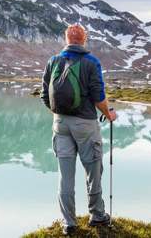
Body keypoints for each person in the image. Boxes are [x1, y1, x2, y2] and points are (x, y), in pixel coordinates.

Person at [41, 24, 117, 236]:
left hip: (60, 124)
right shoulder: (91, 62)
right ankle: (97, 215)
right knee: (93, 169)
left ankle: (69, 223)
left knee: (65, 176)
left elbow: (44, 96)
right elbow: (98, 97)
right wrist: (109, 114)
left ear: (66, 39)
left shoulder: (52, 61)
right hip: (85, 124)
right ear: (84, 40)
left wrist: (59, 114)